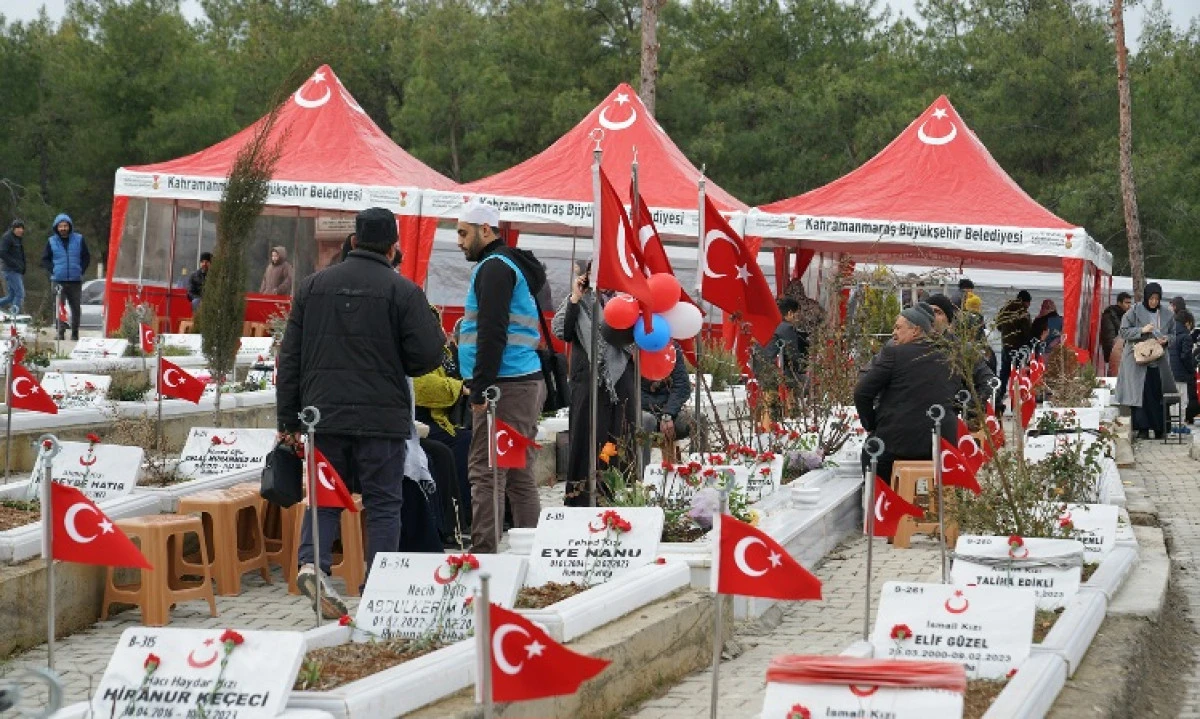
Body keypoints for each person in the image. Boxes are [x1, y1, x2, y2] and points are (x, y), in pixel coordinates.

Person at [277, 206, 444, 618]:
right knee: (385, 503)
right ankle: (379, 585)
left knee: (325, 498)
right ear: (393, 247)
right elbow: (426, 358)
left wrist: (287, 421)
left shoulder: (313, 287)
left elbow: (290, 358)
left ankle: (314, 564)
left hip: (324, 416)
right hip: (382, 419)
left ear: (353, 241)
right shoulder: (404, 291)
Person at [456, 201, 546, 553]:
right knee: (517, 472)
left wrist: (479, 389)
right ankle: (532, 551)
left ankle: (485, 556)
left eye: (464, 233)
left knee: (487, 471)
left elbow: (492, 334)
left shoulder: (493, 269)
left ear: (486, 230)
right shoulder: (508, 264)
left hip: (503, 386)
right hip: (519, 380)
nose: (460, 241)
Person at [553, 263, 637, 506]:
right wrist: (575, 298)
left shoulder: (627, 300)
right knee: (586, 438)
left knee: (618, 437)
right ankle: (581, 499)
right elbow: (562, 331)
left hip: (620, 381)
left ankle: (616, 494)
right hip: (588, 381)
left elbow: (636, 337)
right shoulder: (580, 299)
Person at [853, 303, 958, 483]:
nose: (894, 332)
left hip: (897, 445)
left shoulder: (894, 354)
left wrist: (870, 424)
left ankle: (876, 504)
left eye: (898, 327)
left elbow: (862, 392)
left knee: (871, 456)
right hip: (941, 447)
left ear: (916, 330)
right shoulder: (950, 358)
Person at [414, 305, 473, 545]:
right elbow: (421, 387)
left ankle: (466, 518)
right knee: (451, 448)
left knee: (469, 440)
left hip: (436, 419)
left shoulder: (439, 352)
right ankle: (453, 523)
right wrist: (459, 388)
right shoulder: (415, 351)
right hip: (418, 421)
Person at [1115, 283, 1175, 440]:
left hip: (1158, 361)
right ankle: (1142, 429)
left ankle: (1159, 429)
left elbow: (1174, 335)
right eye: (1151, 298)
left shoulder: (1167, 314)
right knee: (1140, 396)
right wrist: (1142, 330)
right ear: (1146, 297)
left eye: (1157, 298)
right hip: (1138, 362)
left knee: (1157, 395)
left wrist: (1166, 339)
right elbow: (1123, 331)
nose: (1154, 301)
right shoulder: (1133, 312)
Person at [639, 342, 693, 466]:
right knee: (646, 421)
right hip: (642, 411)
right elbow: (630, 389)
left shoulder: (672, 348)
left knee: (697, 419)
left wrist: (668, 414)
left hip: (669, 412)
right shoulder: (632, 348)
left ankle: (698, 472)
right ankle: (641, 477)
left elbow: (682, 385)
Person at [40, 213, 90, 341]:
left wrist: (81, 270)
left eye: (65, 225)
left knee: (75, 307)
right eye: (60, 226)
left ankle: (75, 333)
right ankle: (60, 332)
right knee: (59, 306)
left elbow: (86, 257)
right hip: (58, 280)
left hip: (75, 280)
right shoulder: (51, 241)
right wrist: (53, 271)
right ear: (56, 227)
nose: (63, 228)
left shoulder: (79, 239)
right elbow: (45, 259)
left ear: (70, 226)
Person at [996, 290, 1033, 410]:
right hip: (1018, 348)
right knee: (1017, 374)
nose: (1029, 305)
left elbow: (998, 326)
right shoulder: (1022, 313)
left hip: (1006, 345)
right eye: (1028, 303)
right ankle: (1015, 400)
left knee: (1004, 372)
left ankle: (999, 396)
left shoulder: (1004, 309)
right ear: (1024, 301)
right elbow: (1027, 332)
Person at [759, 297, 808, 383]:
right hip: (777, 375)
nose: (799, 317)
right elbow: (793, 355)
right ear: (790, 313)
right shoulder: (787, 328)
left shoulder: (776, 325)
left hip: (764, 371)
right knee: (813, 384)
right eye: (797, 314)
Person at [1169, 310, 1198, 429]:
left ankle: (1173, 425)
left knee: (1172, 401)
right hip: (1181, 374)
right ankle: (1180, 425)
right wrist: (1191, 370)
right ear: (1187, 323)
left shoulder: (1170, 334)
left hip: (1170, 374)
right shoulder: (1186, 337)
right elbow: (1186, 356)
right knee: (1182, 400)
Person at [1100, 292, 1132, 374]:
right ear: (1119, 303)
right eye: (1126, 303)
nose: (1129, 305)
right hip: (1115, 355)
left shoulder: (1127, 316)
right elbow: (1109, 337)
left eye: (1130, 303)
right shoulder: (1109, 316)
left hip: (1125, 354)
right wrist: (1114, 354)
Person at [0, 220, 26, 315]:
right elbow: (2, 253)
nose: (20, 230)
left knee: (11, 296)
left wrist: (23, 267)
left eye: (21, 228)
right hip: (10, 270)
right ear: (13, 228)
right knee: (20, 293)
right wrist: (14, 264)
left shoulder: (18, 239)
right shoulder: (7, 237)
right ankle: (14, 316)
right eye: (17, 228)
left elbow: (21, 255)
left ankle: (13, 313)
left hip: (17, 270)